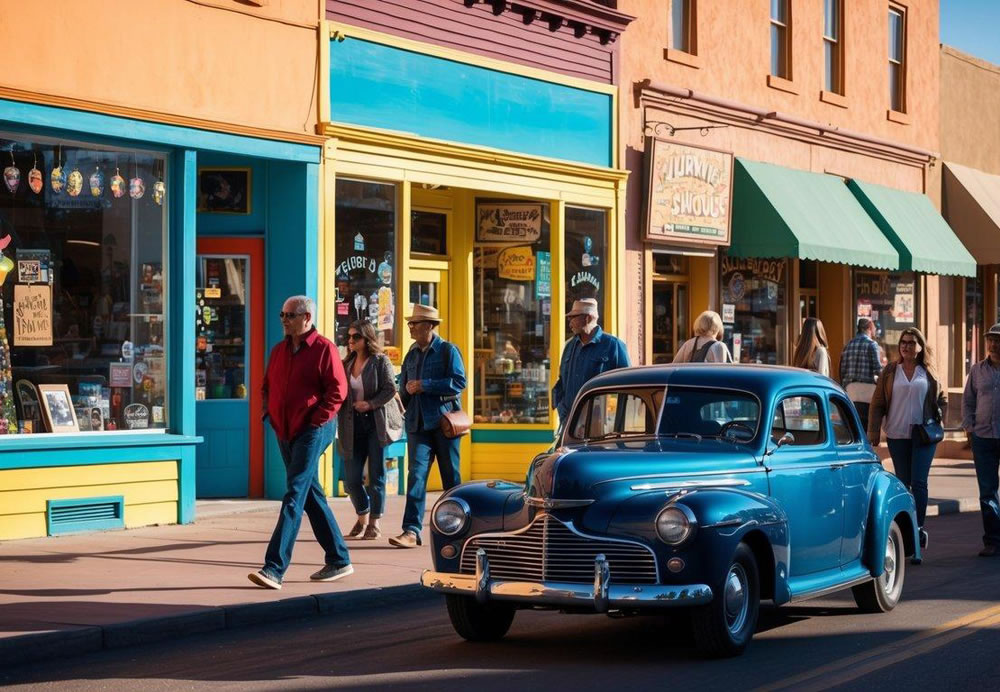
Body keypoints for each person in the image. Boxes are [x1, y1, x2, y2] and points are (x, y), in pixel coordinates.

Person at [249, 295, 352, 589]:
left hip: (312, 430)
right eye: (282, 314)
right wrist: (268, 412)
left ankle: (274, 568)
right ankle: (339, 558)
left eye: (290, 315)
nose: (283, 320)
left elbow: (338, 390)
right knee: (309, 494)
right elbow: (267, 385)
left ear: (306, 318)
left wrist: (316, 420)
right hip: (285, 429)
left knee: (294, 493)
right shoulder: (279, 350)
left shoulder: (324, 349)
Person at [389, 304, 467, 548]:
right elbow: (406, 388)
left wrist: (425, 385)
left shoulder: (447, 350)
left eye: (416, 323)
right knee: (416, 477)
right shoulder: (411, 353)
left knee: (450, 478)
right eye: (410, 323)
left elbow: (458, 382)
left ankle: (459, 526)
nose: (410, 327)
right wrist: (402, 396)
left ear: (430, 326)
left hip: (443, 423)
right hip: (417, 424)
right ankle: (411, 531)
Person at [868, 327, 945, 560]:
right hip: (897, 434)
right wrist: (873, 431)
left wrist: (939, 416)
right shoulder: (891, 371)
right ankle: (905, 531)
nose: (907, 346)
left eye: (912, 342)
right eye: (903, 342)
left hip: (923, 436)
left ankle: (918, 531)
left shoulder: (928, 371)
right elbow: (878, 401)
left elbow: (942, 398)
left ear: (920, 346)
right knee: (903, 484)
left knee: (919, 484)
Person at [338, 319, 398, 541]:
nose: (351, 341)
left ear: (367, 338)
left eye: (356, 337)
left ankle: (374, 523)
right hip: (351, 424)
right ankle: (362, 515)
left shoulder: (380, 361)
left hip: (375, 423)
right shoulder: (346, 363)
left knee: (376, 475)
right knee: (352, 478)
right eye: (349, 337)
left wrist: (370, 404)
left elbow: (391, 389)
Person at [552, 298, 630, 428]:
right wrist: (561, 408)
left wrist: (615, 423)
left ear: (587, 318)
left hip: (598, 425)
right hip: (569, 422)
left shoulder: (613, 345)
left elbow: (627, 386)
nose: (569, 322)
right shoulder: (570, 346)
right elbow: (562, 381)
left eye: (573, 317)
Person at [962, 322, 1000, 557]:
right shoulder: (977, 370)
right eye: (991, 340)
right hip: (983, 437)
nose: (994, 344)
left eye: (998, 340)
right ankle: (993, 541)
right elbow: (968, 400)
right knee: (987, 492)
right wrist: (970, 427)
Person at [840, 317, 883, 432]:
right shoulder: (872, 344)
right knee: (866, 425)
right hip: (867, 391)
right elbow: (878, 369)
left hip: (850, 390)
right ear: (869, 327)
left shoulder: (848, 345)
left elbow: (842, 370)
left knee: (854, 426)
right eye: (873, 327)